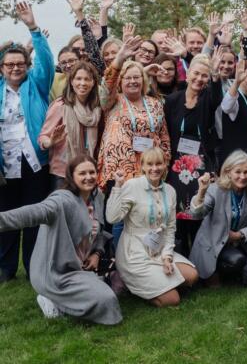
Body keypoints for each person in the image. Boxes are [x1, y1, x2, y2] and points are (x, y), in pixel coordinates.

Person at [0, 155, 121, 324]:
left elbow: (100, 233)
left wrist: (97, 254)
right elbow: (33, 212)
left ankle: (62, 300)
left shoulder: (98, 197)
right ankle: (52, 300)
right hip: (56, 272)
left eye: (92, 172)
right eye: (82, 173)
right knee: (106, 299)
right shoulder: (62, 200)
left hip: (81, 267)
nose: (88, 177)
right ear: (71, 176)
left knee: (110, 294)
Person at [0, 2, 55, 281]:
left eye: (20, 64)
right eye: (10, 64)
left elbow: (46, 60)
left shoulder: (37, 84)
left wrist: (33, 28)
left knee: (33, 215)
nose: (15, 68)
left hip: (34, 161)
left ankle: (34, 265)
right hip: (5, 164)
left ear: (27, 65)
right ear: (2, 68)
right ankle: (5, 268)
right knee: (6, 214)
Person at [106, 148, 199, 307]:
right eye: (150, 164)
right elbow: (112, 218)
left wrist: (167, 257)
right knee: (173, 299)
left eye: (158, 164)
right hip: (134, 253)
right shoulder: (132, 186)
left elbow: (170, 228)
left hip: (158, 248)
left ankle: (157, 281)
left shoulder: (170, 191)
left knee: (192, 276)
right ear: (142, 166)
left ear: (165, 165)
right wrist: (117, 187)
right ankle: (131, 282)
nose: (154, 168)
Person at [164, 54, 223, 255]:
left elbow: (217, 96)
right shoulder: (172, 100)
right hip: (176, 166)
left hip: (200, 166)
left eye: (204, 76)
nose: (199, 78)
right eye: (196, 74)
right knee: (177, 214)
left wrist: (215, 76)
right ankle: (180, 256)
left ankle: (198, 259)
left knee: (197, 213)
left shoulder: (208, 98)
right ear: (188, 75)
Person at [98, 38, 170, 188]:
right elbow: (108, 84)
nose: (132, 81)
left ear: (143, 80)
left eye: (136, 77)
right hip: (119, 172)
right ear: (120, 81)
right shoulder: (112, 100)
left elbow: (164, 136)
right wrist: (119, 59)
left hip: (149, 170)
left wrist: (165, 162)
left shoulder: (155, 103)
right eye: (128, 78)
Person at [190, 151, 247, 287]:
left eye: (246, 172)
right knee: (236, 260)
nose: (242, 176)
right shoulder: (215, 190)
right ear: (228, 172)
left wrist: (240, 235)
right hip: (213, 243)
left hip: (237, 243)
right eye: (238, 172)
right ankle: (214, 270)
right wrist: (201, 192)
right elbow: (197, 214)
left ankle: (227, 270)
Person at [38, 62, 102, 189]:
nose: (82, 83)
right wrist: (50, 142)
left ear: (93, 83)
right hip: (63, 173)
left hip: (88, 170)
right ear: (71, 81)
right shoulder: (60, 105)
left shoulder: (96, 108)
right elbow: (42, 137)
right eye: (78, 78)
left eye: (87, 79)